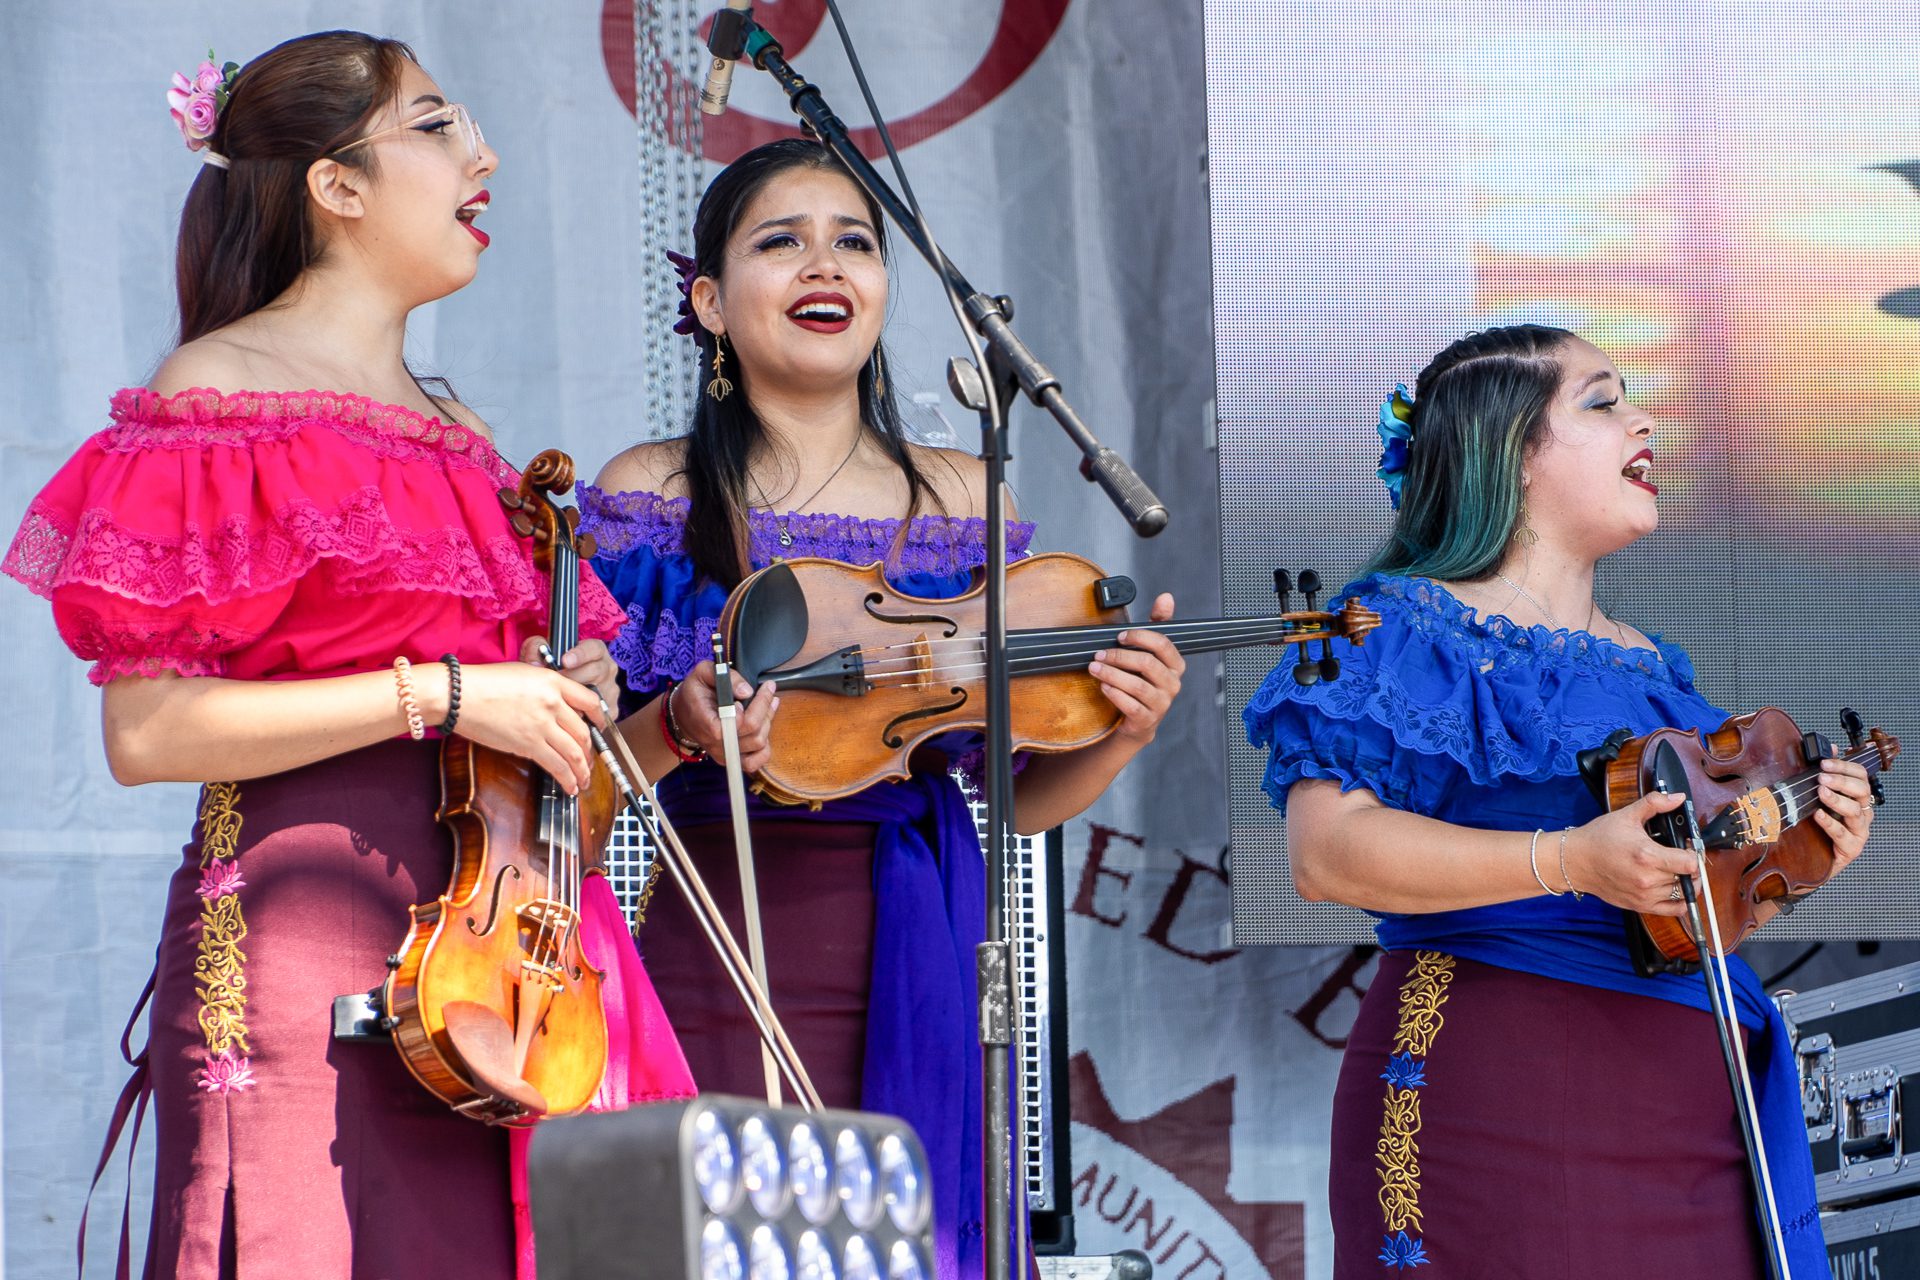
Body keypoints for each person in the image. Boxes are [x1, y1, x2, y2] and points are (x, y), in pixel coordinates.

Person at [3, 32, 692, 1279]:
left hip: (501, 961)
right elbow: (148, 733)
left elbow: (528, 740)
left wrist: (566, 700)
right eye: (436, 125)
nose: (482, 154)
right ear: (338, 185)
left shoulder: (467, 437)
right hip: (297, 933)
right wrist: (444, 692)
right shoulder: (217, 391)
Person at [580, 136, 1186, 1279]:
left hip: (923, 921)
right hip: (718, 924)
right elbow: (585, 771)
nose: (826, 265)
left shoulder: (964, 496)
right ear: (709, 301)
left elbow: (1017, 799)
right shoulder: (649, 489)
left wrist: (1130, 725)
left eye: (854, 241)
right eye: (781, 242)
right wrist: (677, 726)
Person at [1243, 324, 1876, 1278]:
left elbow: (1688, 893)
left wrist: (1806, 839)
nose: (1644, 421)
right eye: (1603, 401)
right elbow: (1326, 855)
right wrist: (1570, 860)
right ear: (1508, 451)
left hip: (1695, 1112)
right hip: (1496, 1082)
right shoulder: (1391, 626)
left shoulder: (1657, 675)